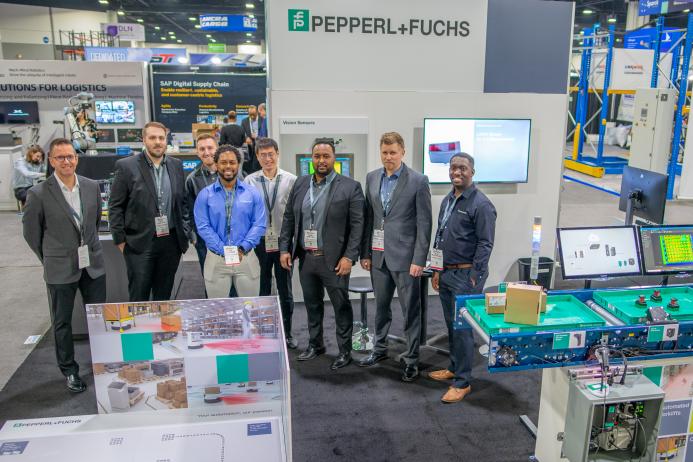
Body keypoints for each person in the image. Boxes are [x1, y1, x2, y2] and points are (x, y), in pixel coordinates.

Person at [22, 138, 106, 393]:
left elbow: (93, 223)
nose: (66, 161)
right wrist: (50, 257)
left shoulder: (91, 187)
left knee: (98, 318)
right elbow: (31, 234)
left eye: (70, 156)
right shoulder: (38, 193)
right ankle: (69, 370)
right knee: (62, 322)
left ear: (77, 158)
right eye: (60, 157)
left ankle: (102, 362)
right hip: (59, 268)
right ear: (51, 161)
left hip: (92, 265)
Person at [279, 138, 364, 370]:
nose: (321, 160)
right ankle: (316, 345)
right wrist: (285, 248)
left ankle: (345, 351)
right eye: (317, 156)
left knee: (341, 306)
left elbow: (358, 226)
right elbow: (289, 218)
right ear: (311, 159)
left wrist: (349, 257)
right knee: (312, 304)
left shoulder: (350, 186)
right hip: (307, 258)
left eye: (326, 156)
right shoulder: (301, 184)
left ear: (334, 158)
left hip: (335, 260)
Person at [358, 132, 432, 382]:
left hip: (406, 259)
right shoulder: (372, 177)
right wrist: (365, 252)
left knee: (410, 310)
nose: (388, 157)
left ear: (403, 152)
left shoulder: (418, 181)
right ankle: (379, 349)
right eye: (385, 152)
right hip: (378, 256)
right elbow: (369, 218)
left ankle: (411, 359)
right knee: (380, 307)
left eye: (393, 152)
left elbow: (424, 224)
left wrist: (419, 259)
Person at [429, 153, 496, 403]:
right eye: (453, 167)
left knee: (463, 329)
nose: (457, 172)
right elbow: (440, 236)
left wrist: (474, 277)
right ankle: (454, 367)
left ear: (472, 172)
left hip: (466, 276)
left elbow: (485, 244)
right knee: (451, 325)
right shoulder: (448, 199)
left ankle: (462, 382)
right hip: (446, 272)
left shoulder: (481, 204)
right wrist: (436, 269)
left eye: (463, 168)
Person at [108, 121, 189, 302]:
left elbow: (182, 202)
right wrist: (120, 240)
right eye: (152, 138)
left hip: (171, 242)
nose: (157, 142)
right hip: (140, 243)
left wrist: (184, 230)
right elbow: (115, 206)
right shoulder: (126, 166)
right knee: (139, 296)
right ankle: (141, 324)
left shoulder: (176, 165)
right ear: (144, 140)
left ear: (166, 140)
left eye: (161, 138)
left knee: (164, 295)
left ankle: (161, 322)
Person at [245, 137, 298, 348]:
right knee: (262, 288)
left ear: (277, 154)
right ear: (257, 157)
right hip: (260, 242)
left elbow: (295, 213)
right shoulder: (249, 181)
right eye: (263, 155)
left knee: (285, 289)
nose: (267, 159)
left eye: (271, 154)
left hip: (284, 243)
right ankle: (263, 331)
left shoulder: (291, 180)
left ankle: (287, 333)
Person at [194, 144, 266, 298]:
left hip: (246, 258)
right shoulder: (204, 195)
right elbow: (203, 226)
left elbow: (259, 224)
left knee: (249, 307)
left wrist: (242, 248)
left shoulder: (252, 193)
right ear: (216, 164)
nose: (228, 166)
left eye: (232, 162)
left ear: (238, 165)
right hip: (216, 260)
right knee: (218, 309)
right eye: (223, 162)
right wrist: (223, 250)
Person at [184, 134, 218, 272]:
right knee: (209, 276)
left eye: (210, 148)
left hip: (230, 236)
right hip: (204, 238)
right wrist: (193, 237)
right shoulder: (192, 179)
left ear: (217, 149)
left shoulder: (230, 174)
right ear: (197, 152)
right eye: (202, 149)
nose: (206, 152)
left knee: (233, 277)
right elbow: (188, 210)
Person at [241, 105, 262, 175]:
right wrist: (246, 138)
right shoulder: (244, 121)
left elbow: (267, 133)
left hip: (260, 145)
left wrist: (258, 137)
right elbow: (242, 133)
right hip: (249, 148)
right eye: (250, 114)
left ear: (257, 112)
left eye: (254, 114)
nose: (252, 116)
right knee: (250, 166)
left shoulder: (262, 120)